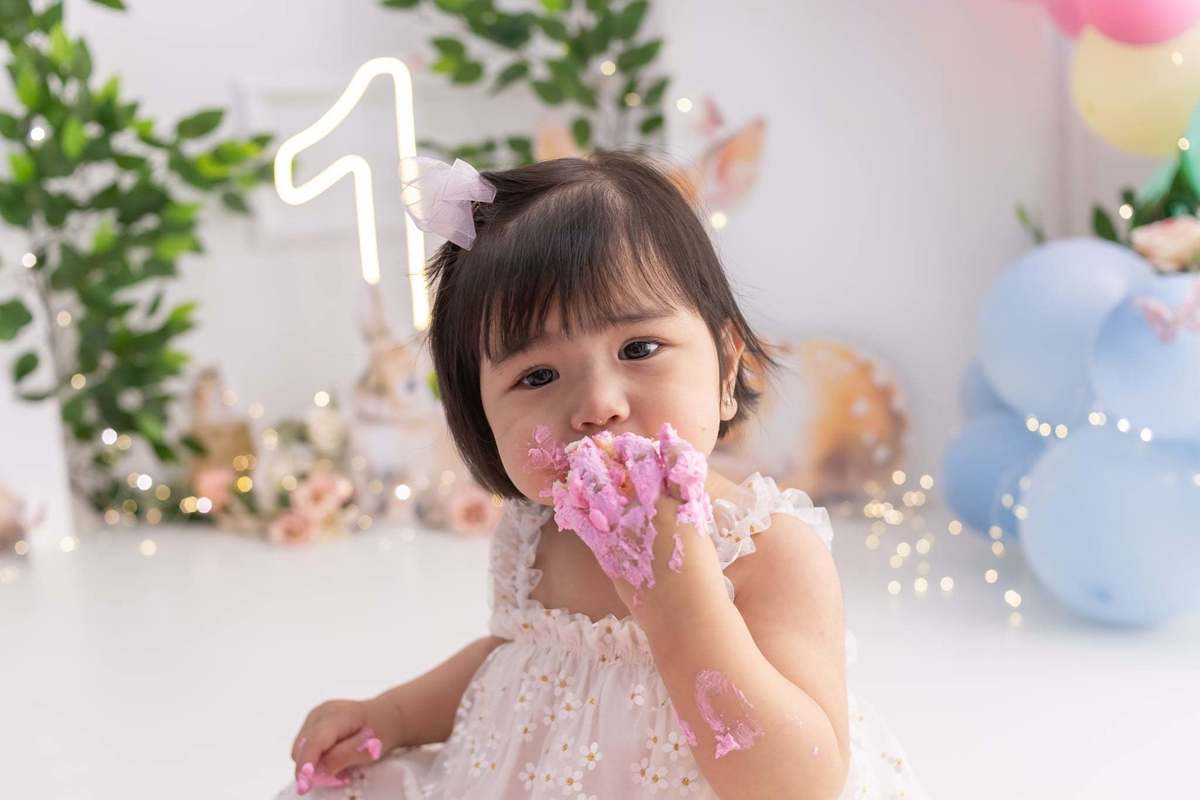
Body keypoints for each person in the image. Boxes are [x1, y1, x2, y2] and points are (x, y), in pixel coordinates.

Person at [272, 149, 931, 799]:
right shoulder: (538, 529)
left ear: (727, 371)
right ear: (479, 413)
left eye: (638, 349)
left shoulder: (769, 550)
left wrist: (681, 601)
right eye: (537, 376)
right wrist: (392, 715)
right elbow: (520, 664)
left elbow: (800, 784)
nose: (596, 406)